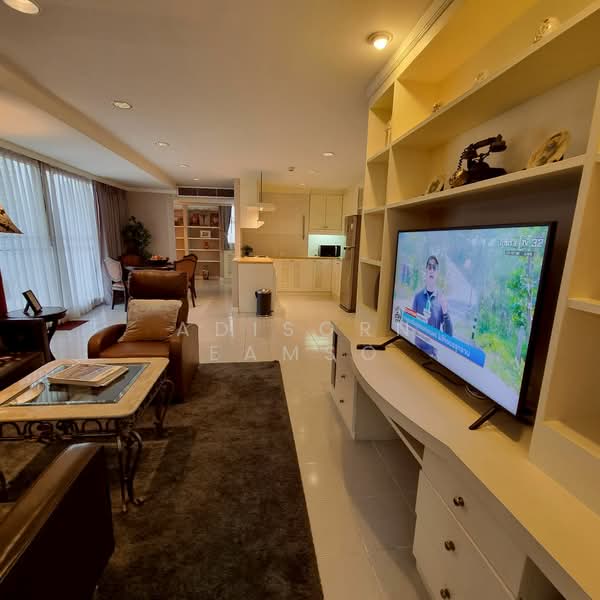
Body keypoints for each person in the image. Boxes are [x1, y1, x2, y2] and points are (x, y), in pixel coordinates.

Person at [412, 255, 453, 357]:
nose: (431, 270)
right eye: (429, 267)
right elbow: (411, 324)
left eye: (434, 268)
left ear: (437, 273)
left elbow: (449, 335)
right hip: (415, 350)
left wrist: (445, 312)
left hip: (431, 356)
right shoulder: (417, 297)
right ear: (426, 271)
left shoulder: (441, 300)